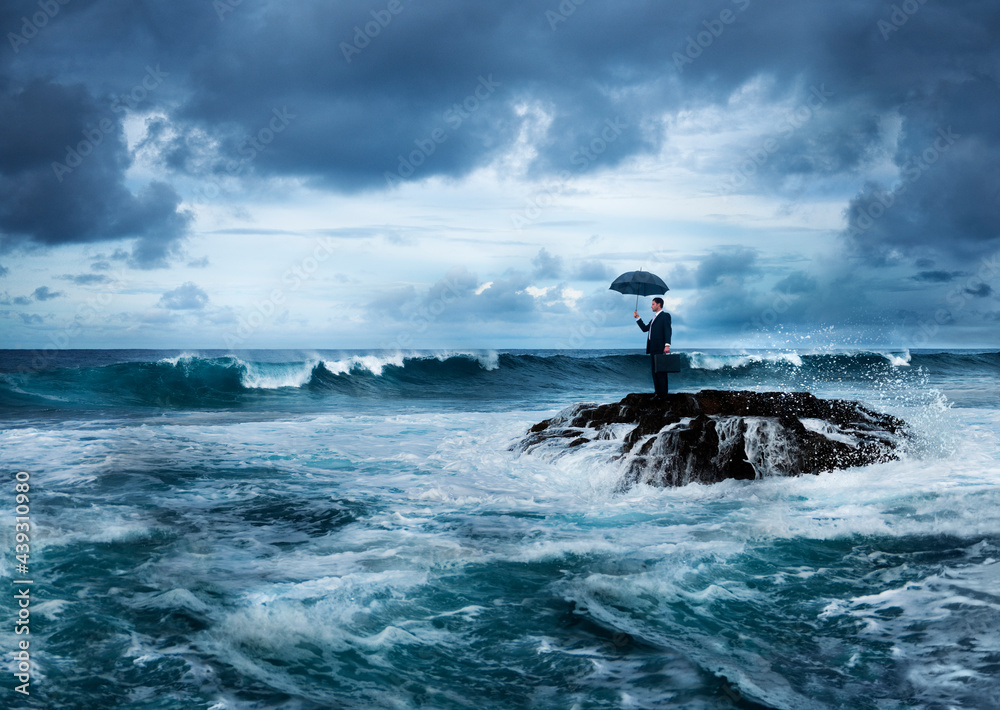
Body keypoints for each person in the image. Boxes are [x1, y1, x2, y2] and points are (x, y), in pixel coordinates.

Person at [634, 297, 671, 395]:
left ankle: (664, 393)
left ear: (659, 304)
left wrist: (667, 345)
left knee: (661, 371)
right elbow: (645, 328)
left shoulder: (665, 316)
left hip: (660, 347)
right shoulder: (653, 319)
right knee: (654, 371)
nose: (651, 306)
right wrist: (638, 318)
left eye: (653, 304)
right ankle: (657, 392)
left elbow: (668, 330)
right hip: (652, 348)